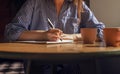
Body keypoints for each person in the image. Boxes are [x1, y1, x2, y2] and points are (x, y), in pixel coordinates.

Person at [4, 0, 105, 74]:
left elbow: (100, 32)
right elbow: (11, 31)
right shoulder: (34, 3)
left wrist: (73, 37)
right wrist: (42, 35)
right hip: (39, 67)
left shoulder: (78, 5)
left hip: (71, 67)